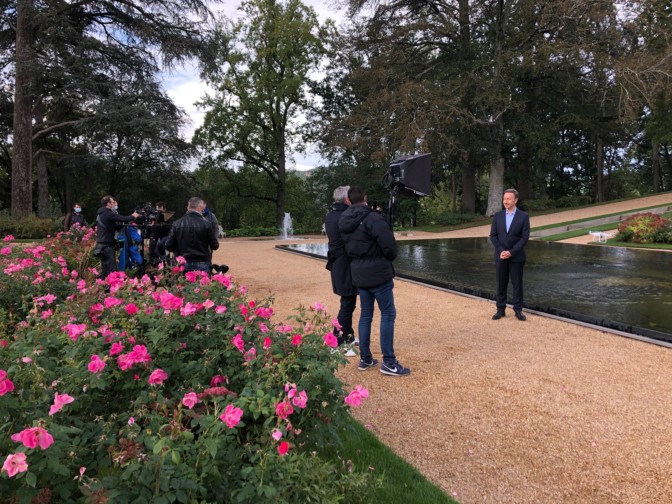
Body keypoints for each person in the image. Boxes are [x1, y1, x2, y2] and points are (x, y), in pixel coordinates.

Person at [339, 186, 410, 377]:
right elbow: (390, 246)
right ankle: (388, 361)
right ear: (365, 197)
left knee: (365, 315)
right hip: (378, 272)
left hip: (359, 273)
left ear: (348, 200)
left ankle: (366, 357)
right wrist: (387, 259)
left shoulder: (343, 220)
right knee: (387, 314)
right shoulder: (373, 218)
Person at [325, 186, 358, 357]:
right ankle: (336, 341)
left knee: (348, 300)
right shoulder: (345, 216)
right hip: (344, 264)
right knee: (348, 302)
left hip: (337, 263)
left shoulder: (331, 215)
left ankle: (348, 335)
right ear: (347, 200)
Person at [489, 188, 530, 321]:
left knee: (517, 284)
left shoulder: (524, 217)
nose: (505, 201)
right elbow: (493, 236)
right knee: (501, 283)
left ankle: (518, 310)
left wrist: (511, 252)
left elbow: (524, 238)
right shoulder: (498, 216)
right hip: (500, 256)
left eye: (508, 199)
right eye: (504, 199)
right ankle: (500, 310)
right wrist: (502, 251)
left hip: (516, 257)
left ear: (515, 200)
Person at [165, 197, 220, 273]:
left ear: (188, 207)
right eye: (202, 209)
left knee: (183, 284)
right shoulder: (207, 224)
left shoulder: (177, 224)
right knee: (202, 284)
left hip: (182, 263)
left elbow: (169, 246)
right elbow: (215, 245)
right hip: (202, 262)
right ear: (199, 208)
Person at [95, 196, 140, 278]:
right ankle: (113, 288)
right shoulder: (108, 213)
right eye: (112, 202)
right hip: (107, 245)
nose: (113, 204)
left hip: (101, 246)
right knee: (112, 269)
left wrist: (125, 224)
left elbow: (114, 226)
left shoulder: (100, 214)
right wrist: (133, 216)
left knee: (105, 269)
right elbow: (122, 218)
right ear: (108, 203)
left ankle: (102, 286)